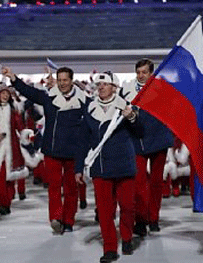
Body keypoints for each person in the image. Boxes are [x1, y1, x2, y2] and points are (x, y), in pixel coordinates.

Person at [2, 66, 86, 234]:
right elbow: (29, 92)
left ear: (71, 81)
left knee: (70, 189)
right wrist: (13, 78)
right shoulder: (49, 98)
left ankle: (69, 220)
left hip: (73, 152)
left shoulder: (83, 101)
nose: (62, 83)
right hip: (52, 151)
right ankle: (56, 218)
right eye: (60, 80)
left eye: (65, 80)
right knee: (54, 187)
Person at [75, 72, 143, 263]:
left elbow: (140, 132)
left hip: (124, 164)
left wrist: (131, 117)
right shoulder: (90, 109)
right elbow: (82, 141)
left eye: (105, 84)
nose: (101, 88)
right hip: (101, 165)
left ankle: (127, 237)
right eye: (99, 85)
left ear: (114, 87)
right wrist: (78, 167)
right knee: (104, 211)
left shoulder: (126, 106)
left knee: (128, 207)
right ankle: (110, 248)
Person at [121, 58, 174, 236]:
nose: (141, 75)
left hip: (159, 140)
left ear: (152, 73)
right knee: (139, 183)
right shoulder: (127, 91)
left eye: (144, 72)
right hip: (138, 141)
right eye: (138, 72)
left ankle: (154, 219)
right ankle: (141, 219)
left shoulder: (162, 89)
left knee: (156, 183)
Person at [0, 83, 28, 215]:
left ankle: (7, 201)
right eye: (2, 93)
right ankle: (2, 203)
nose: (5, 95)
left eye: (7, 93)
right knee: (0, 176)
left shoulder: (13, 109)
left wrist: (26, 135)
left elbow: (19, 126)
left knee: (11, 176)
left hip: (12, 146)